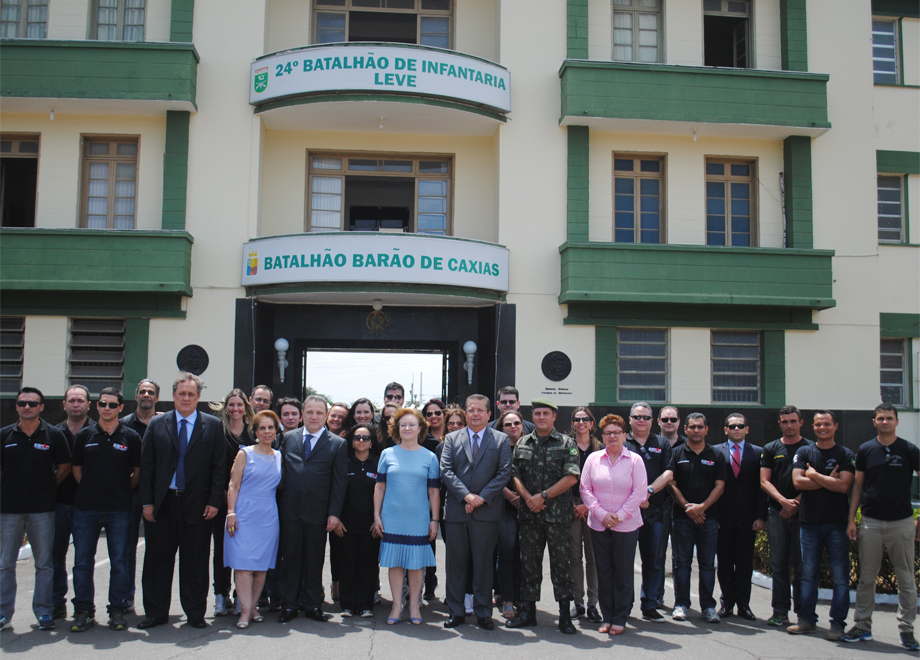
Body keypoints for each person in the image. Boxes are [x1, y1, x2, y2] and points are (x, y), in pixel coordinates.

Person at [138, 373, 227, 630]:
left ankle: (196, 613)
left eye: (191, 394)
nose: (186, 398)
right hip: (163, 504)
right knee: (157, 562)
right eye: (181, 394)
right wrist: (147, 503)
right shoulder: (157, 424)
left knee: (196, 563)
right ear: (173, 396)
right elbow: (147, 466)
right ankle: (156, 613)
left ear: (198, 397)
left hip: (198, 506)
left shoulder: (211, 425)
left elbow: (219, 467)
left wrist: (214, 502)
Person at [841, 403, 919, 649]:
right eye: (880, 418)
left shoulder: (909, 449)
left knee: (906, 578)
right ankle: (862, 626)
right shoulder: (865, 449)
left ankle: (906, 630)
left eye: (889, 418)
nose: (885, 422)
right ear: (873, 422)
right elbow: (858, 486)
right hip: (871, 523)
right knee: (866, 578)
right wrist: (852, 519)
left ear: (896, 421)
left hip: (902, 522)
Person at [69, 388, 142, 633]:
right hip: (86, 509)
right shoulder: (84, 435)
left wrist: (120, 489)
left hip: (119, 509)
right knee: (82, 563)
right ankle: (83, 611)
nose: (107, 408)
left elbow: (137, 472)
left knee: (120, 562)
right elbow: (76, 469)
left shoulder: (130, 437)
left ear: (121, 408)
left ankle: (118, 610)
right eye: (103, 404)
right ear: (97, 406)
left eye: (112, 405)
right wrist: (91, 487)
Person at [0, 387, 71, 632]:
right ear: (17, 407)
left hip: (43, 510)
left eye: (33, 403)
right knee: (5, 564)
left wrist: (49, 487)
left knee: (44, 563)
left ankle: (43, 612)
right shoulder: (4, 435)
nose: (27, 407)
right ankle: (3, 614)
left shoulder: (53, 435)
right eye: (22, 403)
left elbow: (64, 466)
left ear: (42, 407)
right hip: (9, 510)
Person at [507, 399, 580, 634]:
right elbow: (515, 473)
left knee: (561, 567)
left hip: (557, 518)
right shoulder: (523, 442)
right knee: (529, 566)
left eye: (545, 413)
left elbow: (571, 477)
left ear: (554, 416)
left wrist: (543, 496)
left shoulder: (567, 443)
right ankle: (528, 613)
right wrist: (529, 498)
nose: (540, 417)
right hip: (530, 516)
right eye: (537, 413)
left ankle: (565, 616)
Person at [440, 395, 512, 630]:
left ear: (489, 414)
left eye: (480, 410)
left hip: (487, 512)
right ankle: (456, 611)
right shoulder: (451, 438)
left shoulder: (500, 440)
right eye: (470, 410)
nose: (475, 414)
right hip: (457, 511)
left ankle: (483, 613)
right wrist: (467, 496)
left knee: (483, 565)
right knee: (455, 564)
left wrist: (481, 498)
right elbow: (446, 471)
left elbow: (503, 473)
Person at [276, 395, 347, 623]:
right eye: (309, 412)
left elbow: (339, 482)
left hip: (318, 513)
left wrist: (334, 513)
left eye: (318, 412)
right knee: (290, 560)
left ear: (326, 416)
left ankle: (313, 605)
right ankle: (289, 605)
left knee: (315, 561)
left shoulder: (337, 444)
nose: (313, 417)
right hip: (289, 511)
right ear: (302, 414)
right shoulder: (287, 438)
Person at [788, 410, 855, 640]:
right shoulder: (804, 451)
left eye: (827, 424)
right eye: (818, 424)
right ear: (813, 427)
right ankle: (807, 620)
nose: (822, 427)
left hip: (837, 524)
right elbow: (798, 482)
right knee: (808, 575)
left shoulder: (845, 454)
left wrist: (814, 475)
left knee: (839, 577)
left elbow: (843, 487)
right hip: (809, 524)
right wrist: (829, 478)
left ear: (836, 426)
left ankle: (837, 624)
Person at [580, 414, 647, 636]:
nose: (612, 436)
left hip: (626, 525)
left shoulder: (635, 460)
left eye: (616, 433)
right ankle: (607, 617)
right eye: (607, 433)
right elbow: (585, 489)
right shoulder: (593, 459)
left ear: (624, 435)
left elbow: (639, 492)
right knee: (604, 571)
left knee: (623, 572)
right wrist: (600, 513)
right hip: (599, 524)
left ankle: (620, 617)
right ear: (602, 436)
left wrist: (618, 516)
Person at [372, 407, 440, 625]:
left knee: (416, 564)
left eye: (412, 424)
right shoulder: (387, 454)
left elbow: (433, 491)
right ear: (397, 429)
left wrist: (434, 519)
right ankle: (396, 605)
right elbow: (380, 487)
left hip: (418, 517)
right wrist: (377, 515)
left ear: (420, 428)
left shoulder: (430, 457)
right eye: (403, 425)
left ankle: (413, 605)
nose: (408, 428)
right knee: (395, 563)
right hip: (392, 516)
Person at [224, 410, 283, 629]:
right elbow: (234, 484)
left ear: (276, 430)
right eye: (262, 428)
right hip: (243, 514)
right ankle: (245, 611)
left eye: (270, 427)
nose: (267, 432)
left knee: (261, 568)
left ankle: (254, 607)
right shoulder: (245, 453)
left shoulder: (279, 456)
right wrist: (231, 511)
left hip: (268, 515)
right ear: (255, 431)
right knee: (243, 566)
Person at [668, 412, 726, 624]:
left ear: (706, 429)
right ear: (685, 429)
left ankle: (708, 607)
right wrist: (687, 508)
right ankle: (681, 604)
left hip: (709, 519)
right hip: (682, 518)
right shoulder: (676, 453)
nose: (696, 430)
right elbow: (671, 483)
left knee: (707, 565)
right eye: (692, 427)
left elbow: (720, 486)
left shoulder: (716, 454)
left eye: (700, 427)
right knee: (681, 563)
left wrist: (702, 507)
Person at [760, 405, 810, 627]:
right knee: (778, 564)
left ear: (801, 422)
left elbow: (815, 479)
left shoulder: (810, 448)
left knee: (802, 566)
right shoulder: (771, 448)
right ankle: (780, 611)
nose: (789, 425)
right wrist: (782, 502)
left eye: (793, 421)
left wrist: (795, 502)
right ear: (779, 423)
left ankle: (803, 613)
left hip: (804, 513)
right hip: (776, 512)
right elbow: (764, 481)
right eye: (784, 421)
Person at [713, 413, 766, 621]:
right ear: (725, 429)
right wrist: (713, 516)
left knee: (744, 564)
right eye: (732, 426)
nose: (736, 429)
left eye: (740, 425)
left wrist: (761, 517)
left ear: (747, 429)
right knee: (724, 564)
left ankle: (744, 605)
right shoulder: (716, 451)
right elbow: (713, 486)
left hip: (748, 519)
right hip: (722, 519)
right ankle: (726, 603)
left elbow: (762, 488)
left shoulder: (758, 453)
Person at [624, 402, 674, 623]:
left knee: (653, 561)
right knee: (625, 562)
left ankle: (650, 604)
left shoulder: (662, 443)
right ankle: (625, 605)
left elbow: (669, 473)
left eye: (645, 417)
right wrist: (636, 498)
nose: (641, 420)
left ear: (652, 421)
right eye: (637, 416)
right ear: (630, 419)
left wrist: (648, 492)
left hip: (654, 511)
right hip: (626, 512)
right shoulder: (622, 441)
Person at [209, 389, 255, 617]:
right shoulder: (218, 431)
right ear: (225, 407)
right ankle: (221, 594)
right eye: (231, 405)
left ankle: (240, 596)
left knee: (242, 550)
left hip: (247, 501)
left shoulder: (252, 434)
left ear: (246, 407)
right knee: (222, 549)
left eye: (239, 405)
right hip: (222, 500)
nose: (235, 409)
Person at [52, 384, 93, 620]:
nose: (75, 405)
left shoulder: (98, 432)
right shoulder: (52, 433)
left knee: (84, 561)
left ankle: (83, 605)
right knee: (55, 557)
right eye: (71, 400)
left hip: (87, 507)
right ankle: (57, 602)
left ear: (89, 405)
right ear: (64, 404)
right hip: (58, 504)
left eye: (80, 401)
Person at [121, 378, 161, 613]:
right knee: (126, 550)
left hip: (157, 497)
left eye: (151, 392)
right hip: (130, 496)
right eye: (142, 391)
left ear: (157, 397)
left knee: (156, 551)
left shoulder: (163, 423)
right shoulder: (123, 424)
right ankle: (126, 597)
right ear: (136, 396)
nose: (146, 395)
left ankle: (154, 602)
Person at [336, 425, 381, 618]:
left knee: (368, 565)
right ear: (351, 441)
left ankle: (365, 605)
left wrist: (379, 520)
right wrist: (336, 518)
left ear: (372, 442)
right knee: (347, 564)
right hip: (345, 525)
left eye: (365, 437)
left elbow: (386, 494)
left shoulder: (379, 463)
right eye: (357, 437)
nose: (361, 441)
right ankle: (347, 605)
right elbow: (336, 492)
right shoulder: (343, 463)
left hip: (371, 525)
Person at [568, 407, 601, 623]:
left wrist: (587, 506)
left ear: (592, 423)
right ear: (572, 423)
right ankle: (578, 602)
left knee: (593, 558)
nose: (581, 423)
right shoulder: (566, 445)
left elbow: (606, 482)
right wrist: (573, 504)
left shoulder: (601, 448)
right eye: (577, 419)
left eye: (585, 419)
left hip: (594, 510)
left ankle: (593, 604)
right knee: (574, 557)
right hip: (570, 508)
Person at [495, 411, 525, 620]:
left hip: (527, 507)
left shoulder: (531, 446)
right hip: (503, 508)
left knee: (523, 556)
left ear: (522, 425)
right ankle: (507, 599)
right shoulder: (496, 447)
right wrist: (508, 495)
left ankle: (521, 598)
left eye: (516, 423)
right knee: (506, 553)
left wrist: (524, 498)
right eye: (508, 424)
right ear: (502, 427)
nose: (512, 426)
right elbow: (490, 474)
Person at [655, 404, 685, 610]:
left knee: (681, 557)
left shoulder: (689, 444)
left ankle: (681, 601)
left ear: (679, 422)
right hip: (658, 506)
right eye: (665, 419)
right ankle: (655, 596)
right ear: (658, 422)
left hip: (683, 508)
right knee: (656, 554)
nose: (669, 423)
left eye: (673, 419)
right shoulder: (653, 443)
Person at [422, 397, 448, 600]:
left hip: (450, 498)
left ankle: (456, 591)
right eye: (429, 414)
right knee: (427, 542)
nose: (433, 417)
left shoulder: (455, 437)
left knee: (454, 547)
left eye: (437, 413)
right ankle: (429, 582)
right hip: (426, 497)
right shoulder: (422, 440)